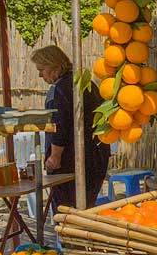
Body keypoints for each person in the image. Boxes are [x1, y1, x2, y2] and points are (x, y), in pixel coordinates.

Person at [31, 45, 110, 212]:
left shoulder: (59, 89)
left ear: (54, 65)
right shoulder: (83, 83)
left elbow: (61, 125)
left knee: (66, 214)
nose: (40, 75)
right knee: (86, 210)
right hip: (97, 156)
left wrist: (54, 157)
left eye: (41, 69)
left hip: (72, 162)